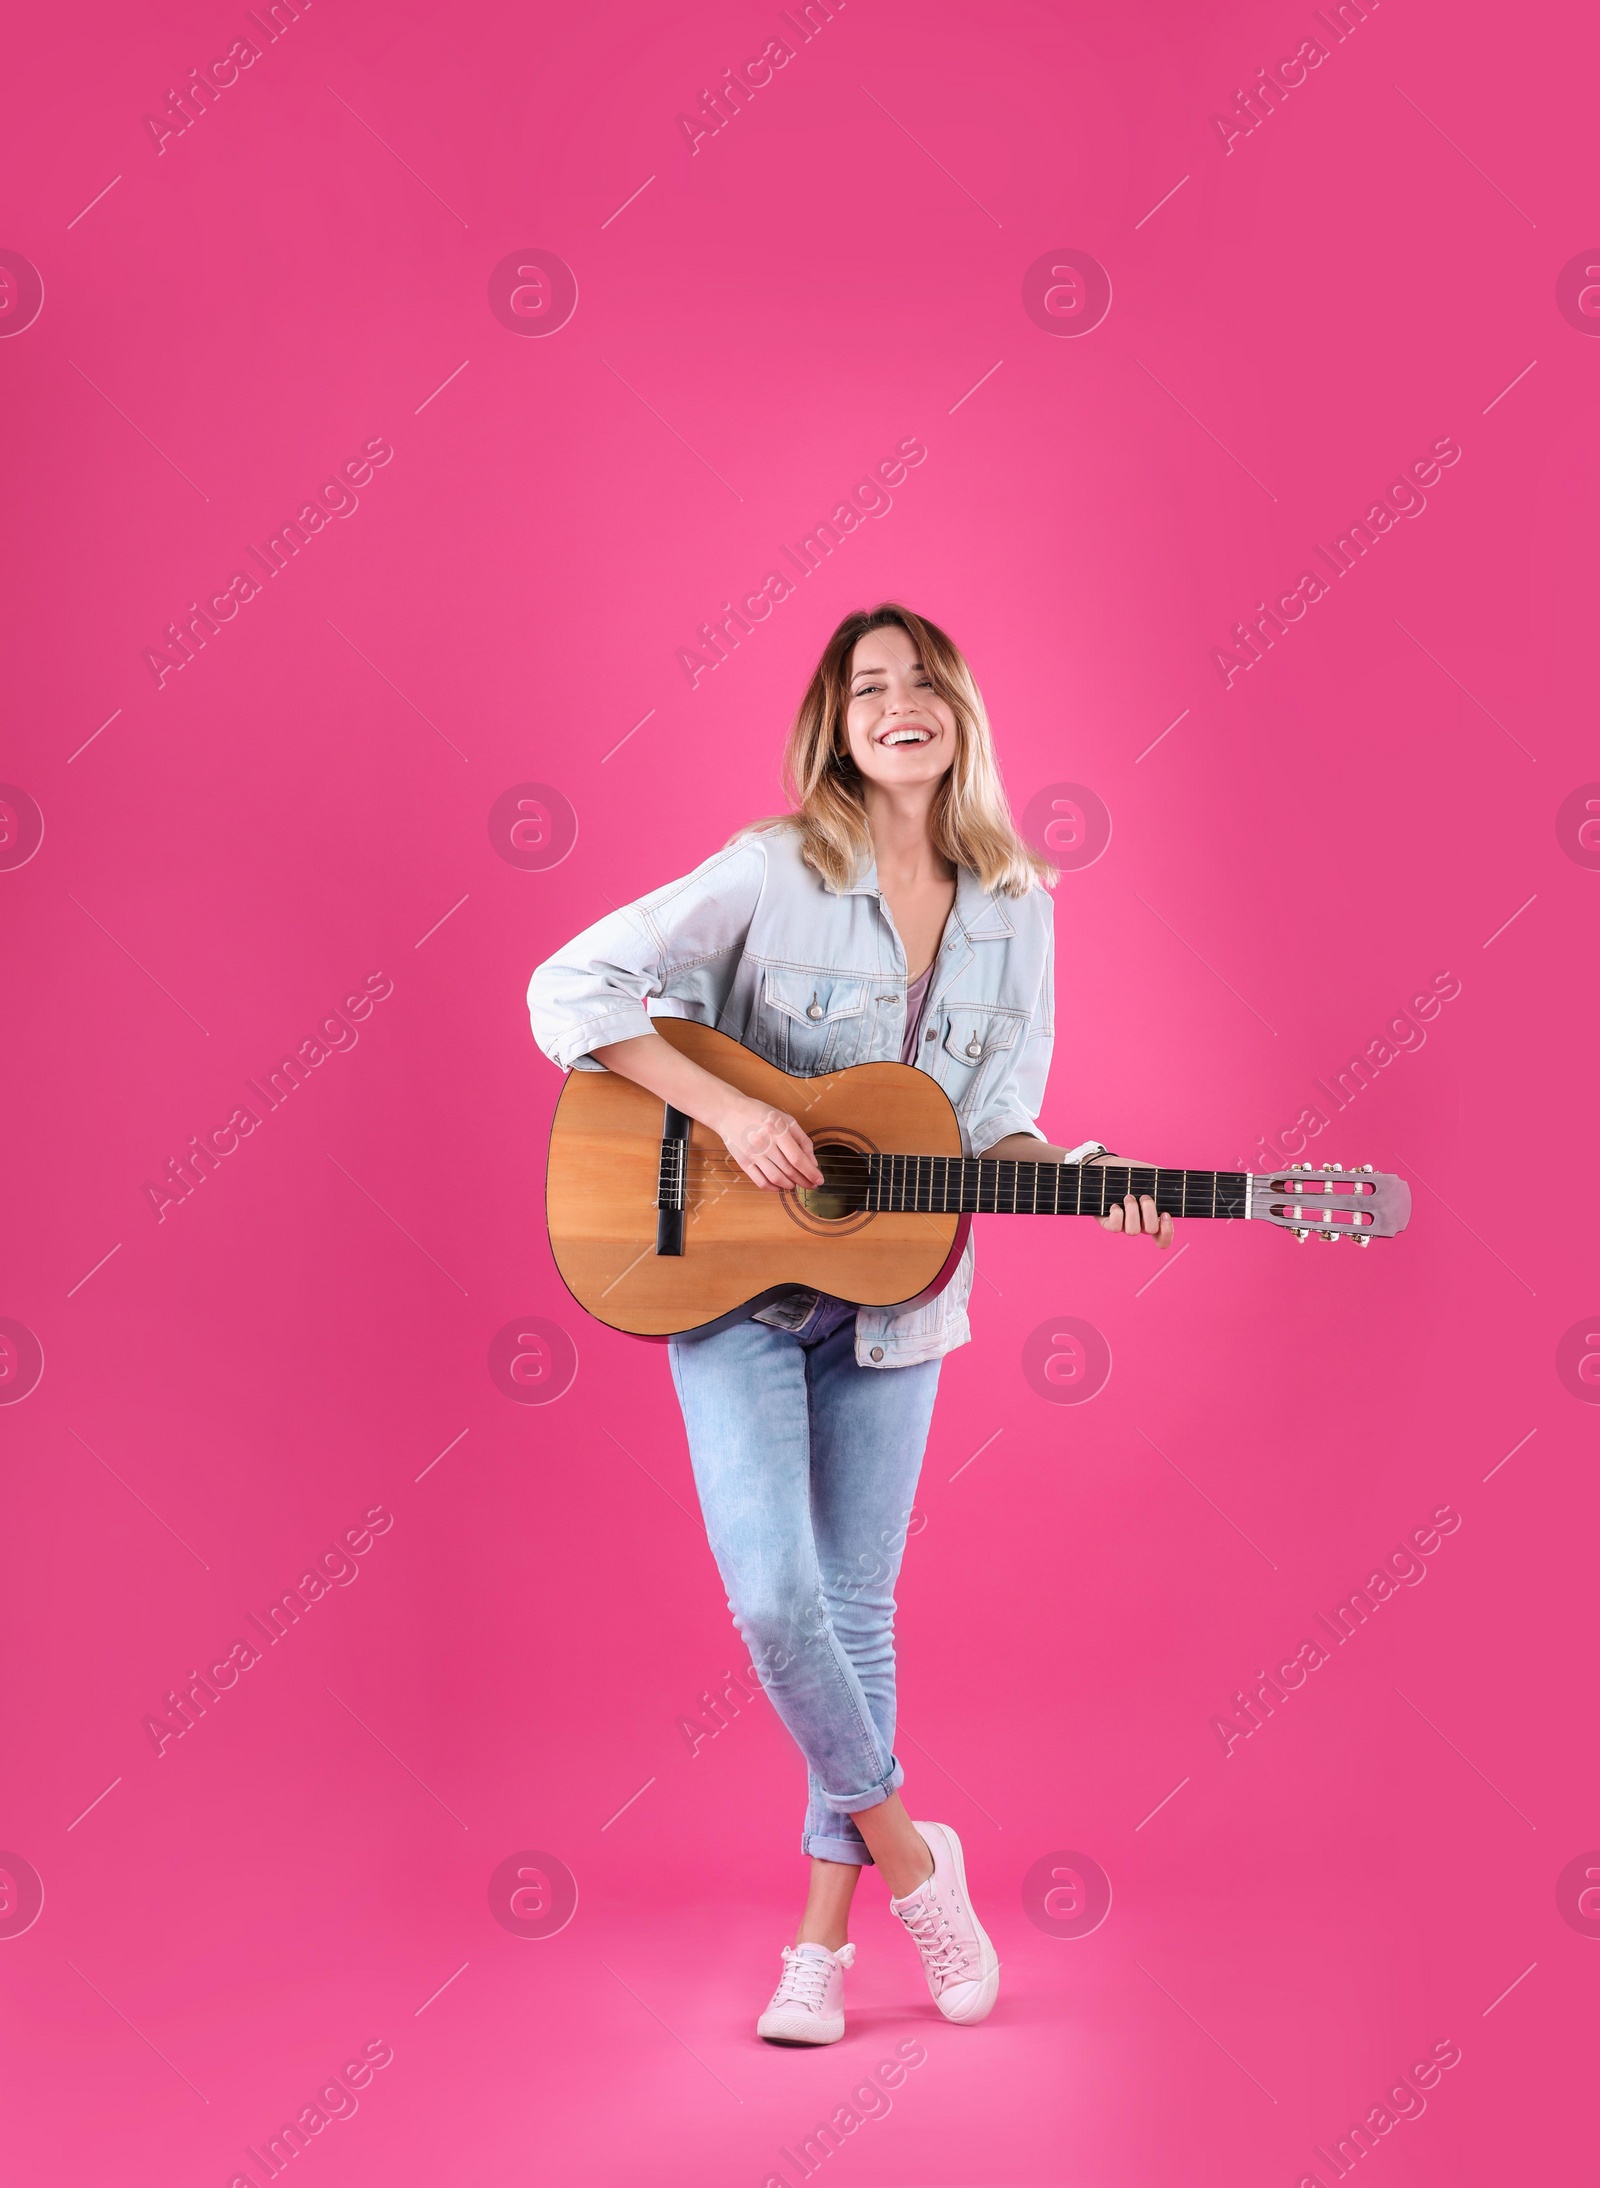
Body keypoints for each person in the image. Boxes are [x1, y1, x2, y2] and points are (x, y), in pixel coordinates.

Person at [527, 603, 1174, 2044]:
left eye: (925, 681)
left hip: (899, 1303)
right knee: (776, 1599)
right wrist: (735, 1108)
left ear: (961, 715)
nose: (901, 702)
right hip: (727, 1275)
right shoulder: (772, 870)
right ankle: (911, 1859)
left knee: (856, 1613)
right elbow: (567, 988)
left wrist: (1086, 1181)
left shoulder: (1023, 902)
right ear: (837, 723)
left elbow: (991, 1128)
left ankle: (817, 1945)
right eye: (870, 685)